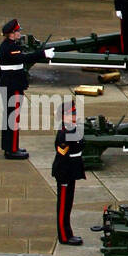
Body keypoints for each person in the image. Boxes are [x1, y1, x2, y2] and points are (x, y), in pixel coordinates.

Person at [0, 19, 41, 160]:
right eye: (17, 31)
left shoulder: (9, 45)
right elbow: (24, 58)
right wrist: (43, 54)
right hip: (12, 85)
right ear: (12, 33)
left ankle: (10, 147)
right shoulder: (10, 47)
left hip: (11, 84)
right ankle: (12, 150)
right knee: (13, 118)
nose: (19, 33)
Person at [52, 102, 85, 245]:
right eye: (71, 114)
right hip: (65, 172)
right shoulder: (64, 133)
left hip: (72, 171)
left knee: (68, 204)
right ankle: (64, 236)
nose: (74, 116)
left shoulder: (73, 129)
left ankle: (68, 232)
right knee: (63, 206)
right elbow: (64, 155)